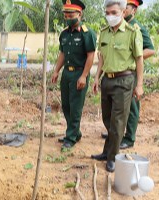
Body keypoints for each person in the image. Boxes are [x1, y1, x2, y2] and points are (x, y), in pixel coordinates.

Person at [91, 0, 143, 172]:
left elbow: (139, 58)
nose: (110, 16)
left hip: (124, 80)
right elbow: (102, 58)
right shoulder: (104, 32)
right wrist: (96, 78)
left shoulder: (131, 32)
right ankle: (107, 151)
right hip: (107, 80)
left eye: (114, 12)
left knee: (118, 122)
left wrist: (139, 84)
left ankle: (113, 157)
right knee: (107, 119)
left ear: (122, 12)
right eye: (107, 13)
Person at [100, 0, 155, 149]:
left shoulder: (136, 28)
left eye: (127, 7)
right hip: (115, 75)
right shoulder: (110, 30)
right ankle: (116, 134)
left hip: (130, 72)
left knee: (131, 106)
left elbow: (150, 49)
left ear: (132, 11)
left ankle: (129, 137)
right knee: (116, 110)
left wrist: (129, 57)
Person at [51, 0, 97, 150]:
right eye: (66, 15)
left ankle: (70, 138)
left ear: (79, 13)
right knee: (66, 106)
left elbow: (91, 56)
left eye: (71, 14)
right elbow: (62, 54)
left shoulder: (87, 33)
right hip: (66, 74)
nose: (68, 17)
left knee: (76, 108)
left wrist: (84, 76)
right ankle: (75, 133)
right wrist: (57, 70)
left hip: (79, 73)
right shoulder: (64, 33)